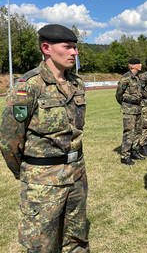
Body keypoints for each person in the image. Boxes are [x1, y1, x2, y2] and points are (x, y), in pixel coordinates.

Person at [0, 24, 89, 252]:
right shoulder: (28, 87)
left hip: (76, 175)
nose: (74, 52)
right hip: (43, 183)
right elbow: (9, 141)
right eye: (68, 47)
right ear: (47, 48)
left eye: (75, 48)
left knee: (77, 240)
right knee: (42, 246)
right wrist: (29, 172)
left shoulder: (77, 84)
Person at [115, 58, 144, 165]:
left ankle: (134, 151)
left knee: (138, 131)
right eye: (138, 63)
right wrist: (125, 104)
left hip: (138, 108)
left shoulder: (137, 78)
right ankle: (125, 155)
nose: (140, 65)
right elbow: (118, 94)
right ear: (132, 66)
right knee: (129, 132)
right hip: (129, 109)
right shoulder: (126, 78)